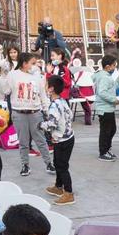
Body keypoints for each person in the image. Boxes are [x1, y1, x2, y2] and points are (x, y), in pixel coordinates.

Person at [39, 73, 77, 205]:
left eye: (46, 85)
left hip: (62, 141)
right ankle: (58, 186)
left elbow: (52, 124)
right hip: (66, 138)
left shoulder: (55, 105)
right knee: (58, 163)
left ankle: (69, 193)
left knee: (62, 166)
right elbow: (69, 115)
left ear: (51, 89)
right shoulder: (62, 101)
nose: (44, 87)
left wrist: (41, 125)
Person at [92, 54, 119, 159]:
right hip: (104, 108)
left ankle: (107, 149)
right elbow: (102, 92)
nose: (115, 68)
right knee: (106, 131)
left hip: (107, 108)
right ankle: (103, 151)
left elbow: (112, 87)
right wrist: (113, 100)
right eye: (114, 66)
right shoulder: (104, 77)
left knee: (111, 129)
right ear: (107, 66)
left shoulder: (105, 76)